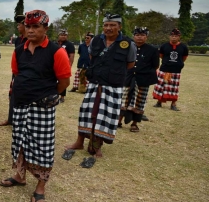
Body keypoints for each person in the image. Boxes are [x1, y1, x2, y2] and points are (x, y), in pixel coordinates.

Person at [0, 9, 71, 202]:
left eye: (35, 26)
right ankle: (20, 176)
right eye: (28, 26)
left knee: (43, 146)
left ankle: (41, 186)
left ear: (45, 28)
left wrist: (47, 94)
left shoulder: (56, 51)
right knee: (19, 141)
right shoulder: (19, 50)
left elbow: (64, 81)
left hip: (42, 107)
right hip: (21, 103)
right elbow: (16, 73)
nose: (30, 30)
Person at [65, 14, 136, 163]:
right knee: (86, 112)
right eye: (106, 25)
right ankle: (79, 142)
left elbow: (130, 64)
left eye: (112, 25)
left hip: (113, 85)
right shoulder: (96, 40)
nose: (108, 28)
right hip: (95, 82)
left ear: (119, 27)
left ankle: (97, 146)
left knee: (105, 116)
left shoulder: (127, 43)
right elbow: (92, 57)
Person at [118, 27, 159, 132]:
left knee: (139, 101)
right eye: (137, 35)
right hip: (127, 77)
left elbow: (155, 66)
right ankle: (118, 121)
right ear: (133, 36)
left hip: (143, 79)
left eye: (142, 35)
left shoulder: (152, 50)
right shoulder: (127, 47)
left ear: (146, 37)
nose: (139, 37)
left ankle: (134, 124)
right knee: (123, 100)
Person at [0, 14, 27, 126]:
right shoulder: (18, 40)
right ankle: (10, 119)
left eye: (19, 25)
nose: (17, 27)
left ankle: (20, 121)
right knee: (12, 94)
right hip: (16, 71)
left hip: (25, 72)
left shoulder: (29, 39)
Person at [153, 28, 189, 111]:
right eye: (172, 36)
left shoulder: (183, 47)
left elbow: (184, 57)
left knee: (174, 88)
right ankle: (159, 102)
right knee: (162, 86)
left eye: (176, 36)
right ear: (169, 36)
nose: (174, 38)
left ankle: (173, 104)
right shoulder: (164, 46)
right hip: (165, 69)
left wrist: (178, 63)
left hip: (176, 70)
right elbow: (161, 56)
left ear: (179, 37)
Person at [54, 29, 75, 102]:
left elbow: (71, 56)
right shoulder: (55, 44)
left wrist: (69, 66)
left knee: (63, 80)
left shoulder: (69, 44)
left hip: (63, 65)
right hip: (54, 65)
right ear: (58, 36)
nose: (63, 36)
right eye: (62, 35)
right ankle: (54, 94)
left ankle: (62, 96)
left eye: (65, 35)